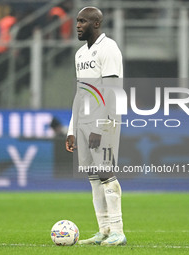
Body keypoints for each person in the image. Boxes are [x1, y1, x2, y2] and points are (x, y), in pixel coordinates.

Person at [65, 7, 126, 246]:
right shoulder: (80, 54)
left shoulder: (109, 48)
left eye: (83, 21)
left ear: (96, 23)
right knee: (92, 176)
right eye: (77, 21)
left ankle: (118, 231)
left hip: (105, 121)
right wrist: (72, 128)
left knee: (105, 172)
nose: (78, 25)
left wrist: (100, 127)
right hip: (84, 122)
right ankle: (104, 229)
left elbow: (112, 91)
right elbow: (81, 95)